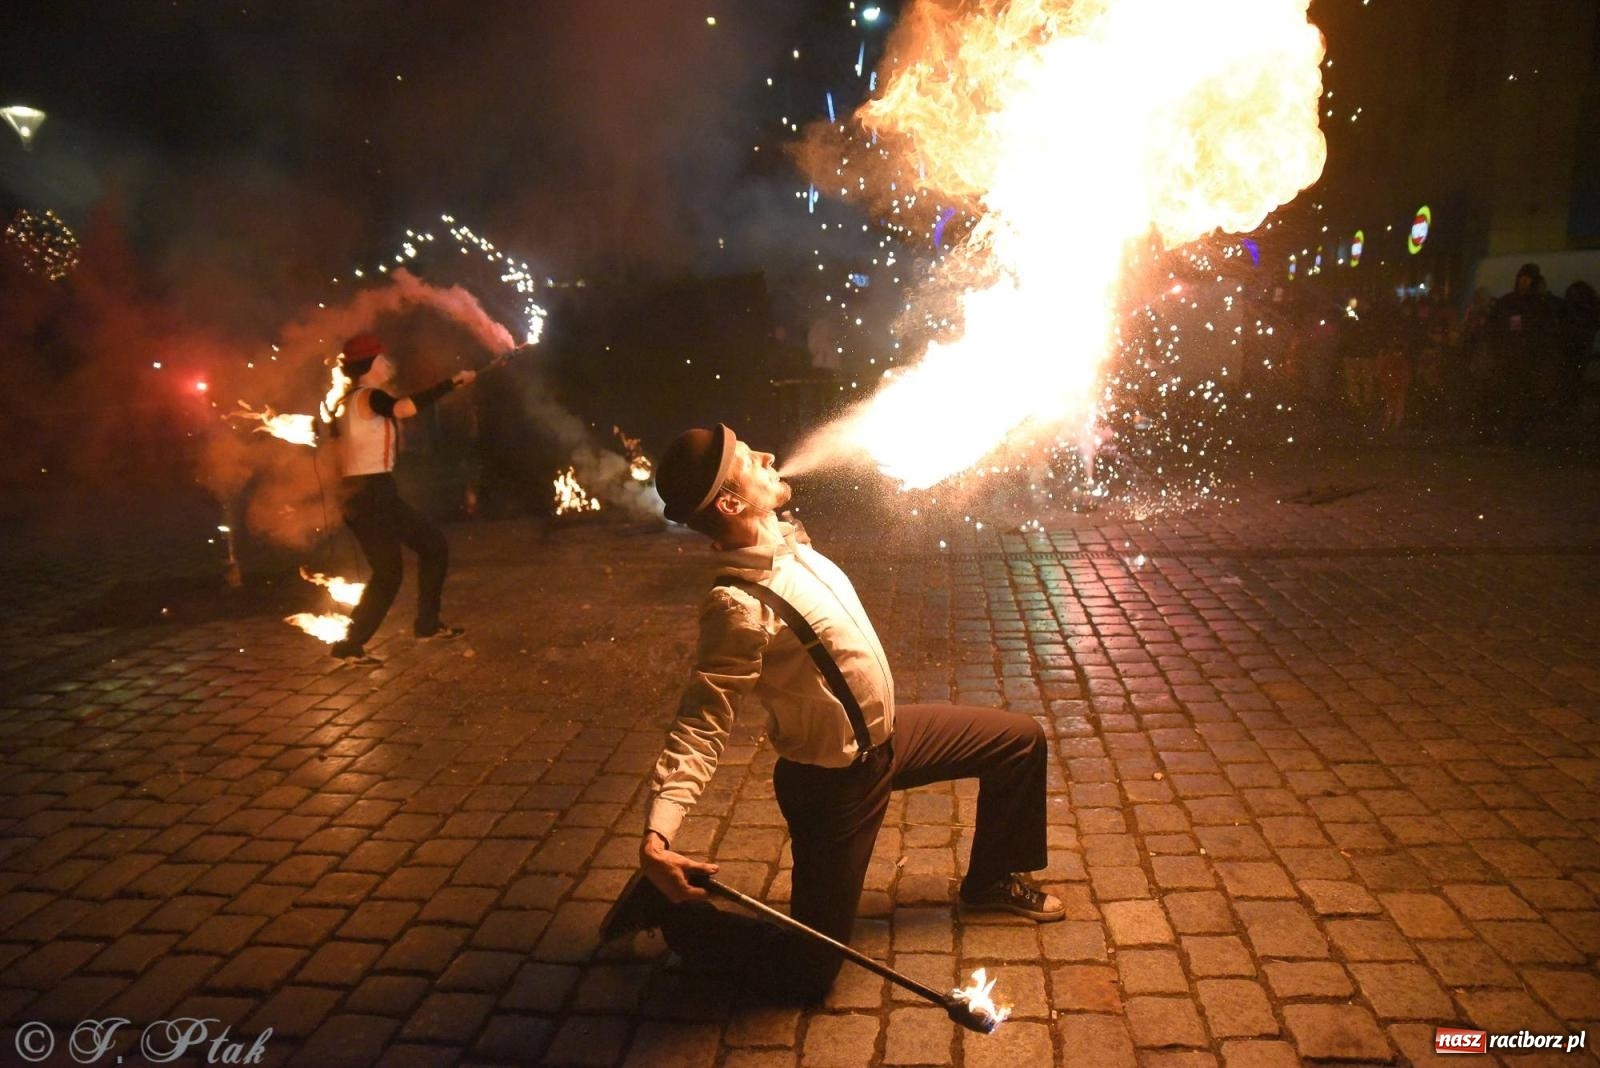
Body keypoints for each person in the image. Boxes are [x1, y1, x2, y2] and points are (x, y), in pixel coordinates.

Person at [600, 423, 1062, 1003]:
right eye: (748, 457)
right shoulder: (738, 606)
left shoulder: (784, 538)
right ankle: (669, 911)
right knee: (809, 974)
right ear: (730, 501)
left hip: (893, 738)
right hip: (835, 787)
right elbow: (702, 723)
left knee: (1019, 741)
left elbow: (772, 518)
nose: (767, 452)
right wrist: (657, 837)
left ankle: (991, 880)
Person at [326, 333, 476, 663]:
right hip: (371, 494)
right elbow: (404, 408)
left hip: (367, 493)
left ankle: (423, 626)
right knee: (392, 571)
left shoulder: (348, 402)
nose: (387, 363)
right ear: (369, 365)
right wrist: (452, 383)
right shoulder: (369, 396)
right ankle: (351, 645)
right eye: (381, 358)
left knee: (429, 548)